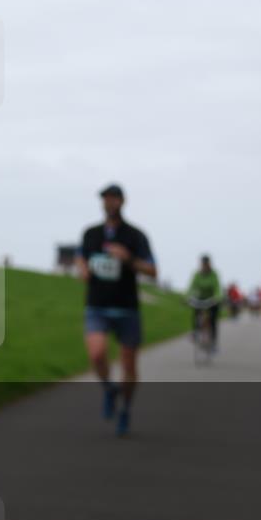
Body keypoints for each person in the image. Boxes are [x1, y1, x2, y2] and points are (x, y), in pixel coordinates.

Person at [76, 184, 157, 436]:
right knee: (97, 354)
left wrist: (129, 259)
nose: (109, 203)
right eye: (105, 199)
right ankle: (109, 389)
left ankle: (125, 409)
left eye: (113, 198)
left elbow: (153, 271)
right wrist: (82, 268)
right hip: (97, 305)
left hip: (126, 307)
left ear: (122, 201)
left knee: (129, 365)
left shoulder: (135, 235)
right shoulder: (91, 233)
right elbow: (81, 255)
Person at [188, 255, 222, 350]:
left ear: (209, 264)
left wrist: (217, 297)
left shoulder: (214, 274)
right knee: (196, 314)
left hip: (212, 299)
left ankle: (214, 342)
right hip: (200, 298)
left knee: (213, 320)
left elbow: (217, 288)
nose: (204, 266)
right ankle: (196, 333)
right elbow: (191, 287)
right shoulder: (197, 274)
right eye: (203, 264)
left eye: (206, 264)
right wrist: (187, 297)